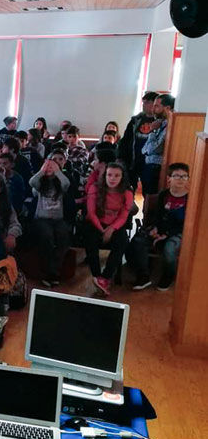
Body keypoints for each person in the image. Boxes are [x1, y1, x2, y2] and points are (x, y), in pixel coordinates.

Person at [127, 162, 189, 291]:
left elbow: (185, 224)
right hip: (161, 229)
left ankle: (168, 275)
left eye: (184, 176)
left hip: (178, 232)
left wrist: (166, 234)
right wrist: (155, 228)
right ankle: (144, 275)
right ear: (169, 179)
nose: (181, 179)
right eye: (177, 176)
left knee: (170, 249)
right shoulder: (163, 195)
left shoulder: (189, 199)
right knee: (138, 241)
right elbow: (157, 216)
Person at [85, 163, 134, 296]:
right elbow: (91, 213)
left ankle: (106, 277)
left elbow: (123, 216)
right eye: (109, 175)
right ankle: (96, 275)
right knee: (90, 238)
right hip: (96, 223)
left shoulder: (127, 192)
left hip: (115, 225)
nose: (112, 178)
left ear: (122, 178)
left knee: (122, 241)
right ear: (105, 176)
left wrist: (111, 229)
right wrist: (102, 230)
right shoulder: (95, 188)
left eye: (117, 176)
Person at [29, 158, 72, 286]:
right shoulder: (39, 184)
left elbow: (66, 183)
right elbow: (32, 182)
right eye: (46, 166)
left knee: (64, 236)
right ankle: (48, 273)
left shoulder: (60, 184)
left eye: (51, 166)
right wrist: (42, 170)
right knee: (47, 237)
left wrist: (57, 171)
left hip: (58, 220)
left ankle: (54, 271)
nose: (49, 168)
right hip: (42, 219)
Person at [119, 91, 158, 189]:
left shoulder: (160, 122)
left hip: (150, 163)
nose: (144, 105)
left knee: (148, 189)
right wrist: (120, 156)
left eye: (147, 102)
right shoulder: (136, 120)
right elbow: (125, 139)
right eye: (143, 102)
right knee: (129, 186)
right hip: (134, 159)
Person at [141, 93, 174, 196]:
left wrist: (152, 131)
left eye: (156, 106)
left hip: (155, 168)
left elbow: (154, 149)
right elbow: (144, 150)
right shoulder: (159, 123)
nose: (153, 109)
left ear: (167, 108)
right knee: (146, 196)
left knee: (151, 198)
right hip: (149, 166)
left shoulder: (169, 127)